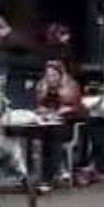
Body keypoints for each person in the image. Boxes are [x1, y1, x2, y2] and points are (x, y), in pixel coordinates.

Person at [34, 59, 84, 194]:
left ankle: (49, 176)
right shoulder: (42, 86)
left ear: (61, 75)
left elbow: (76, 108)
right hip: (47, 123)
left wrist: (65, 111)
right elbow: (38, 105)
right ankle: (35, 176)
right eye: (48, 75)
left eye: (54, 75)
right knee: (39, 135)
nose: (51, 79)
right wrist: (42, 111)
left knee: (53, 136)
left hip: (66, 125)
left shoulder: (71, 86)